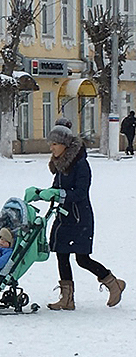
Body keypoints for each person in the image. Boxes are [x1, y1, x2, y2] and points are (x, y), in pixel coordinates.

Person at [36, 125, 126, 310]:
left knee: (82, 258)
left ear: (64, 145)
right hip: (64, 217)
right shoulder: (60, 164)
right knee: (61, 254)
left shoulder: (80, 164)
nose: (51, 148)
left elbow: (80, 193)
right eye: (50, 144)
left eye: (54, 144)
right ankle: (67, 299)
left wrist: (58, 195)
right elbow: (56, 188)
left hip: (79, 218)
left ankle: (113, 283)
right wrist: (41, 193)